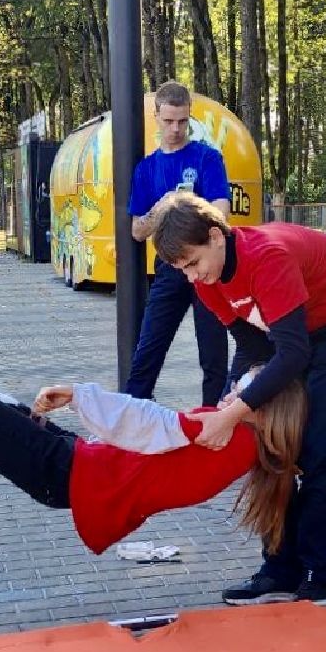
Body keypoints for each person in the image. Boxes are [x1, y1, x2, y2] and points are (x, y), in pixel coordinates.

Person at [0, 299, 306, 557]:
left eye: (242, 391)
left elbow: (148, 424)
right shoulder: (238, 438)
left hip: (64, 472)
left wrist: (80, 394)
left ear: (263, 409)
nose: (230, 395)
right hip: (70, 461)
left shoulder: (228, 437)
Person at [151, 192, 326, 604]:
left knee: (316, 449)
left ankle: (320, 576)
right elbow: (251, 345)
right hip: (298, 332)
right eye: (180, 269)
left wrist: (234, 411)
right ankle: (279, 569)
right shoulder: (208, 280)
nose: (191, 276)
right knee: (264, 440)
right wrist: (231, 400)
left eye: (192, 262)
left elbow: (293, 354)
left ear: (215, 236)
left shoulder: (266, 258)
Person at [125, 80, 231, 408]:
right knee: (148, 349)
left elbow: (222, 215)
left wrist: (186, 204)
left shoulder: (207, 158)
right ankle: (131, 414)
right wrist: (165, 206)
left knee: (213, 357)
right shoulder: (147, 168)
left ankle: (213, 420)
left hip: (206, 266)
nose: (175, 129)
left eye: (182, 121)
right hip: (170, 269)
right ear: (156, 117)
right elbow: (137, 231)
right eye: (169, 121)